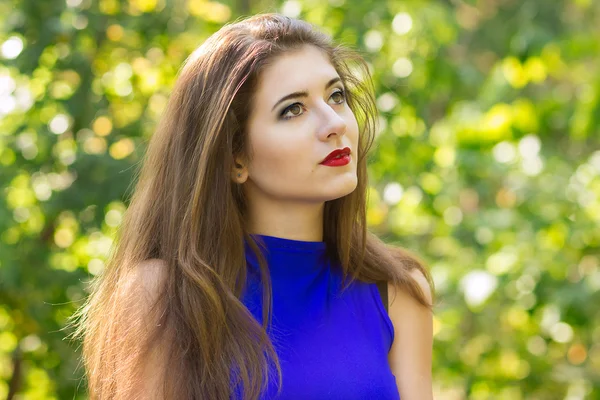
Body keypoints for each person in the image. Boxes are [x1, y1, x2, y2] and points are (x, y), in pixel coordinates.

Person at [71, 13, 434, 400]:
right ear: (235, 158)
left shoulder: (397, 290)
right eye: (293, 109)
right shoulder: (163, 295)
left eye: (336, 95)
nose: (334, 123)